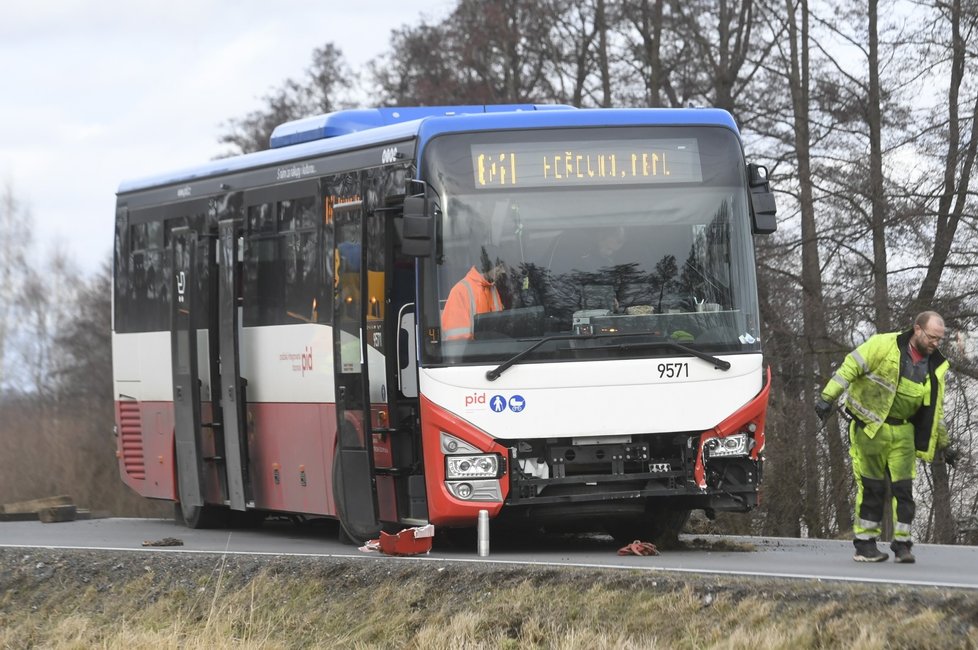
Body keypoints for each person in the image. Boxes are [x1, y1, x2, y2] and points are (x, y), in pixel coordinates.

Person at [816, 311, 953, 564]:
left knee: (904, 491)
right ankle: (865, 545)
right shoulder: (883, 344)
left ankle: (902, 546)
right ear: (917, 329)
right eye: (932, 337)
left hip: (903, 432)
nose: (936, 343)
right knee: (873, 488)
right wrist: (827, 397)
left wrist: (944, 444)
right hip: (871, 428)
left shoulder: (935, 366)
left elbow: (937, 409)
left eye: (939, 339)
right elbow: (850, 366)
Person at [441, 247, 507, 341]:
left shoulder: (492, 288)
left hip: (493, 348)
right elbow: (458, 341)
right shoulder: (460, 291)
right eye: (499, 267)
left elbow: (499, 324)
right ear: (489, 266)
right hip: (472, 353)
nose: (503, 271)